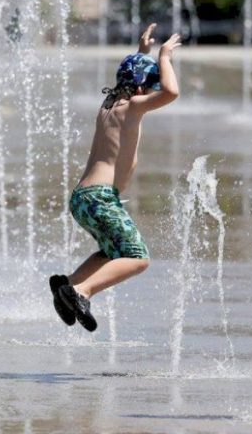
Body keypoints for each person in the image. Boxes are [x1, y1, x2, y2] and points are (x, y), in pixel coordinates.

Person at [49, 24, 182, 332]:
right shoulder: (134, 106)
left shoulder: (108, 105)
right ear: (140, 90)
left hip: (83, 198)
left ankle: (67, 285)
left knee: (112, 252)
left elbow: (132, 78)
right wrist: (164, 57)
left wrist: (142, 53)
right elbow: (172, 92)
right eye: (148, 88)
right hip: (101, 198)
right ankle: (82, 291)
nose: (149, 94)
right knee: (137, 258)